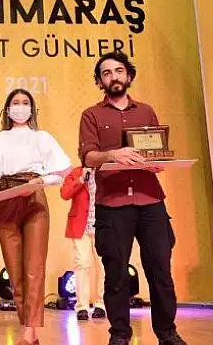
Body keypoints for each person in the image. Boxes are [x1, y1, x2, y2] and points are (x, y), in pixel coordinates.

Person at [78, 51, 187, 345]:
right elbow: (88, 157)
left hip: (150, 201)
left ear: (129, 75)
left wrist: (156, 161)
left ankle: (167, 333)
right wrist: (114, 154)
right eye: (106, 73)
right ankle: (120, 334)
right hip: (112, 204)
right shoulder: (92, 115)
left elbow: (155, 150)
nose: (113, 77)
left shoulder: (146, 111)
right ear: (99, 82)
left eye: (118, 71)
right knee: (116, 274)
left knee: (161, 271)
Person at [0, 88, 71, 345]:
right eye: (16, 102)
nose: (20, 106)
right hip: (6, 198)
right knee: (14, 270)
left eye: (25, 102)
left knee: (34, 267)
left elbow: (62, 171)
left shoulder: (42, 138)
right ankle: (29, 327)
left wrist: (41, 181)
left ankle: (29, 332)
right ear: (8, 109)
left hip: (34, 199)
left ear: (32, 108)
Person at [60, 166, 106, 321]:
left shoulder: (106, 171)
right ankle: (82, 307)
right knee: (82, 264)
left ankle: (101, 304)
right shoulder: (76, 173)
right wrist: (80, 179)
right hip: (81, 226)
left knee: (103, 266)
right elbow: (65, 194)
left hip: (103, 225)